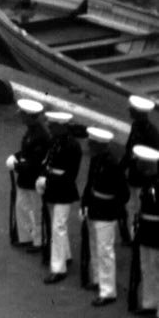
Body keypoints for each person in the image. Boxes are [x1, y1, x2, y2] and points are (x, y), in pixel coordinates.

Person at [81, 126, 128, 307]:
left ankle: (108, 291)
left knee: (105, 251)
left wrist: (112, 208)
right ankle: (98, 279)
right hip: (94, 208)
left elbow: (123, 194)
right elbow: (90, 184)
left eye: (91, 143)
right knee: (95, 247)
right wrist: (85, 204)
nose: (89, 146)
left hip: (106, 213)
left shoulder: (112, 164)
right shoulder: (96, 160)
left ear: (100, 145)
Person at [39, 111, 82, 285]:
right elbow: (47, 162)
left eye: (52, 125)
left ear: (61, 126)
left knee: (58, 227)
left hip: (63, 189)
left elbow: (70, 175)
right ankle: (65, 255)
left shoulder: (72, 146)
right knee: (56, 225)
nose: (49, 127)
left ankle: (58, 269)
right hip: (52, 187)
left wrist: (48, 180)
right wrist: (43, 177)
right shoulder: (55, 140)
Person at [6, 99, 50, 253]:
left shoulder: (41, 135)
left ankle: (39, 241)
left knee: (36, 210)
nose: (20, 116)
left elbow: (35, 162)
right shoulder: (31, 131)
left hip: (33, 178)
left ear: (30, 116)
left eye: (22, 114)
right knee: (22, 206)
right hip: (25, 178)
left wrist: (17, 166)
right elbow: (26, 152)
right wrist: (16, 156)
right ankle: (26, 237)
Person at [122, 95, 159, 233]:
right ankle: (133, 235)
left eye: (132, 110)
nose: (130, 112)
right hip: (134, 174)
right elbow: (129, 149)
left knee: (140, 207)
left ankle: (138, 234)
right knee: (131, 207)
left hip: (144, 178)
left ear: (139, 113)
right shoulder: (136, 126)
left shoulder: (152, 133)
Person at [130, 145, 159, 314]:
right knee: (146, 267)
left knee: (156, 268)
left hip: (156, 231)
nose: (138, 165)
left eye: (141, 163)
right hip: (146, 230)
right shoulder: (148, 182)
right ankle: (149, 303)